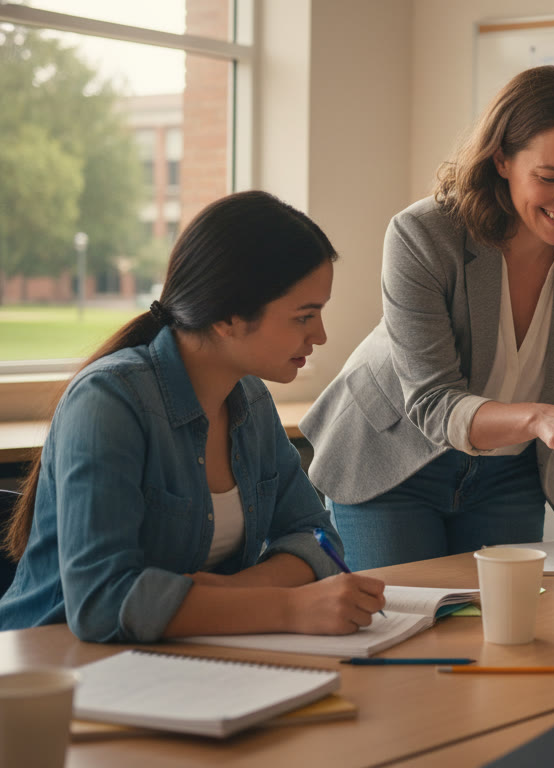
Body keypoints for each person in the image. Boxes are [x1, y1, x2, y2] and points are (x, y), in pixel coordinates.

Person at [300, 66, 554, 578]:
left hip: (511, 472)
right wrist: (537, 417)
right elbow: (433, 403)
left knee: (501, 636)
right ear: (501, 158)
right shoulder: (423, 235)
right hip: (391, 459)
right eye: (549, 178)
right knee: (402, 627)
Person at [0, 191, 386, 643]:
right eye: (304, 316)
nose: (320, 335)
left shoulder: (251, 400)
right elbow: (102, 602)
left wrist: (231, 593)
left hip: (186, 659)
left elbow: (316, 537)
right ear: (227, 318)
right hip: (54, 669)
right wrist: (288, 606)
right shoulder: (107, 402)